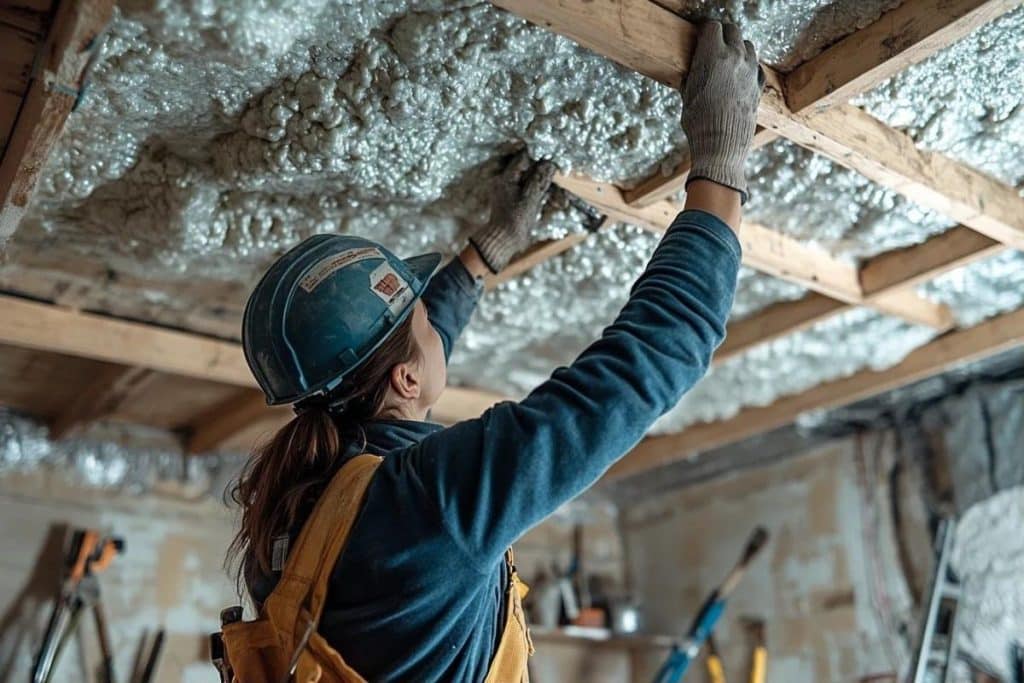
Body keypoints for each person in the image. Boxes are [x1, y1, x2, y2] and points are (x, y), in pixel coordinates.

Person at [227, 21, 763, 682]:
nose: (435, 324)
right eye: (425, 318)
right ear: (404, 377)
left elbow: (400, 372)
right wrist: (720, 164)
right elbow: (652, 355)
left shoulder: (298, 514)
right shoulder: (428, 504)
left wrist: (484, 255)